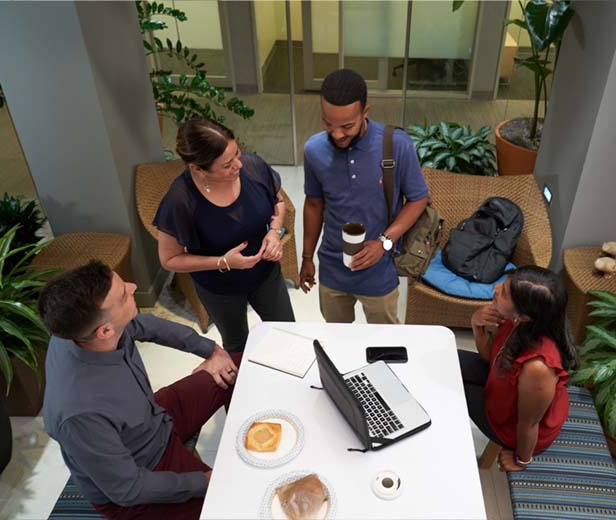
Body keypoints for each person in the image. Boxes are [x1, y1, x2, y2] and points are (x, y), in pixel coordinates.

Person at [40, 261, 241, 520]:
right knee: (239, 505)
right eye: (124, 294)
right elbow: (129, 489)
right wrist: (204, 480)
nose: (134, 287)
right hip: (143, 476)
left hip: (152, 416)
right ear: (105, 331)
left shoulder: (90, 331)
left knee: (237, 365)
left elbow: (146, 325)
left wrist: (210, 351)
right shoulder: (78, 412)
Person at [155, 118, 295, 352]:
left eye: (238, 154)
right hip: (219, 288)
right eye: (227, 164)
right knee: (237, 345)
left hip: (266, 274)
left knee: (288, 333)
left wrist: (273, 232)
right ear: (198, 169)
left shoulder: (252, 167)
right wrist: (223, 262)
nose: (238, 165)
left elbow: (278, 201)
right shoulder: (180, 201)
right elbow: (169, 259)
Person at [300, 68, 428, 323]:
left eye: (347, 126)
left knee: (384, 345)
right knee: (337, 340)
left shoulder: (396, 145)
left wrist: (383, 242)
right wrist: (306, 257)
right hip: (332, 267)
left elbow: (418, 199)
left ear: (365, 112)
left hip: (379, 270)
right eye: (328, 123)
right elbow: (314, 204)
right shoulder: (313, 149)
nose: (337, 134)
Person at [458, 266, 579, 472]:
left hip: (515, 428)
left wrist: (521, 461)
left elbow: (528, 424)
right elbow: (492, 358)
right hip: (503, 385)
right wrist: (476, 325)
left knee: (450, 391)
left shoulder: (538, 368)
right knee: (447, 365)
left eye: (503, 292)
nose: (496, 288)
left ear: (523, 316)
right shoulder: (518, 320)